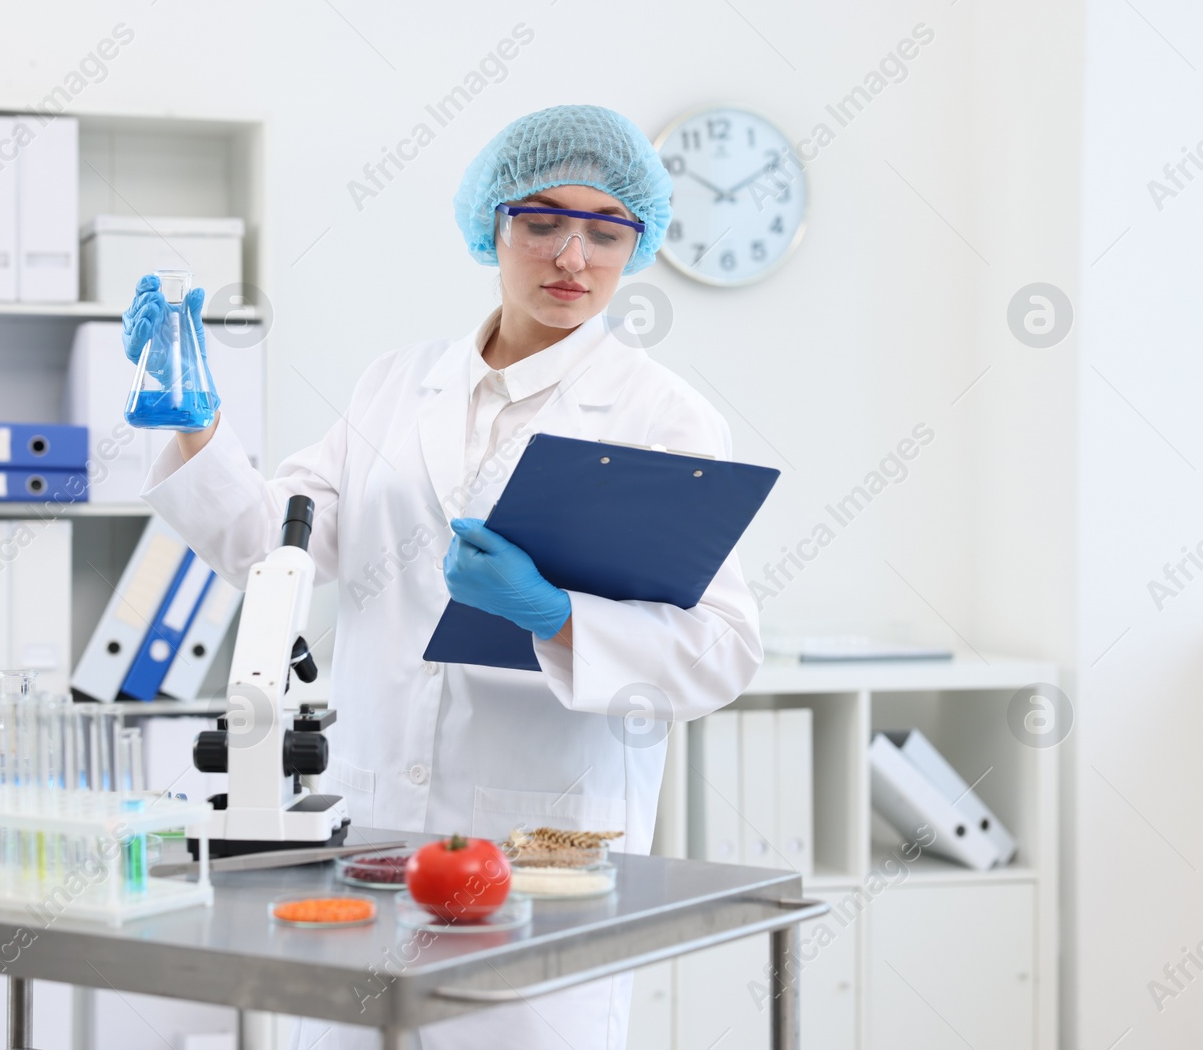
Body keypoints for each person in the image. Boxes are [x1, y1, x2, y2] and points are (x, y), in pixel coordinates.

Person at [128, 104, 762, 1050]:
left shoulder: (660, 416)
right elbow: (278, 550)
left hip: (541, 860)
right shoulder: (396, 383)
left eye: (604, 230)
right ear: (491, 226)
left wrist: (558, 618)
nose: (571, 257)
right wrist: (199, 422)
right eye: (543, 222)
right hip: (373, 831)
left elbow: (722, 653)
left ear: (639, 241)